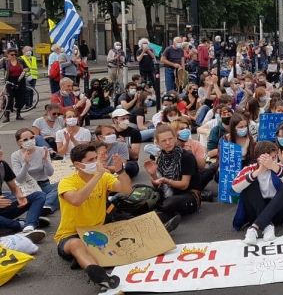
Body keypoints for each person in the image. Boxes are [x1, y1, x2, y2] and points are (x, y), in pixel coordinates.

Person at [54, 143, 131, 291]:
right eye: (91, 160)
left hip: (97, 231)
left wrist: (120, 171)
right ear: (78, 164)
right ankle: (101, 277)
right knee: (76, 244)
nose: (96, 162)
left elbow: (126, 190)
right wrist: (97, 176)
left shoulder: (104, 177)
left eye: (96, 158)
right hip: (71, 233)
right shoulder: (67, 182)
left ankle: (158, 229)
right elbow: (76, 200)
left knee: (125, 223)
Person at [233, 141, 283, 244]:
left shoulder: (278, 167)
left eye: (274, 157)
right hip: (256, 211)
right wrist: (257, 172)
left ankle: (254, 228)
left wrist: (274, 167)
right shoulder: (250, 169)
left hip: (276, 212)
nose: (272, 161)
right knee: (249, 184)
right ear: (259, 158)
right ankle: (267, 225)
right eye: (269, 158)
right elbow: (235, 187)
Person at [143, 125, 198, 229]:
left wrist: (165, 180)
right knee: (141, 192)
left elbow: (184, 185)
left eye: (170, 139)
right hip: (168, 192)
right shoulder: (160, 156)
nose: (168, 143)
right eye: (163, 141)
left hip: (188, 194)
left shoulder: (186, 156)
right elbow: (158, 185)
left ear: (175, 138)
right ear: (157, 143)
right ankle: (161, 218)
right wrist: (153, 174)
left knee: (169, 203)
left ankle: (157, 219)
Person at [11, 128, 58, 216]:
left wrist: (45, 160)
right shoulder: (15, 155)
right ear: (19, 142)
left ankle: (45, 206)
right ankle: (43, 205)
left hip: (44, 184)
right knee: (14, 197)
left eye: (32, 137)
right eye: (25, 139)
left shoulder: (42, 150)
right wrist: (26, 163)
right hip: (28, 187)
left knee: (61, 187)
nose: (30, 141)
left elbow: (50, 173)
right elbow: (19, 179)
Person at [3, 47, 29, 121]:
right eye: (11, 54)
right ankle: (7, 116)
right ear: (8, 55)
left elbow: (27, 68)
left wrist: (25, 70)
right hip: (10, 81)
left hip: (20, 80)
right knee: (9, 99)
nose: (14, 56)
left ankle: (18, 114)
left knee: (20, 98)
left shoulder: (20, 60)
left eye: (15, 54)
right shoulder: (5, 62)